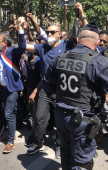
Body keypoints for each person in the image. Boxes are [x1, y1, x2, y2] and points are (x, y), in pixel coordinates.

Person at [44, 19, 108, 170]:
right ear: (98, 42)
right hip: (83, 120)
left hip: (61, 116)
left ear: (78, 40)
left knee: (66, 153)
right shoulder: (99, 61)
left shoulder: (60, 58)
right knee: (83, 163)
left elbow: (48, 85)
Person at [25, 14, 75, 155]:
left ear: (59, 35)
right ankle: (38, 143)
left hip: (61, 91)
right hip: (45, 92)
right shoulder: (42, 48)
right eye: (47, 32)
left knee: (60, 121)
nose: (49, 34)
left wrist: (78, 18)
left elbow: (78, 38)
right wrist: (23, 29)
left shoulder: (67, 46)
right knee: (40, 118)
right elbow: (23, 45)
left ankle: (60, 145)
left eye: (52, 32)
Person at [0, 17, 26, 153]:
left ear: (5, 43)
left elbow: (22, 46)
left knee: (8, 113)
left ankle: (11, 141)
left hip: (13, 89)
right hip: (2, 88)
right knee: (8, 112)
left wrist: (20, 29)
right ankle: (11, 133)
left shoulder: (14, 52)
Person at [24, 41, 42, 148]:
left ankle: (34, 136)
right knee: (31, 112)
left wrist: (35, 92)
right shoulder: (29, 59)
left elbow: (42, 78)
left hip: (36, 92)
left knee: (36, 115)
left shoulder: (38, 61)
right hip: (29, 89)